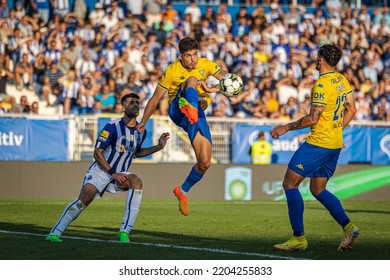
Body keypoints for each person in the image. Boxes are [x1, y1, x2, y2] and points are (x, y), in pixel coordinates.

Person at [46, 93, 170, 243]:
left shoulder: (140, 131)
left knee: (137, 181)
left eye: (138, 102)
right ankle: (55, 233)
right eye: (132, 102)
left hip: (120, 173)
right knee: (86, 197)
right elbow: (97, 153)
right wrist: (113, 173)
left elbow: (136, 152)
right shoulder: (112, 126)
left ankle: (124, 232)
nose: (136, 105)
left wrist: (158, 146)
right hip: (101, 171)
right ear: (123, 107)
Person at [270, 44, 359, 252]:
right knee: (317, 189)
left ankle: (298, 238)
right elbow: (352, 109)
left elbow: (313, 118)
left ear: (320, 60)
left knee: (289, 184)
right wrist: (336, 129)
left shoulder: (321, 85)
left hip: (318, 143)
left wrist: (286, 127)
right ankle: (349, 227)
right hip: (334, 144)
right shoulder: (341, 80)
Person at [136, 37, 229, 216]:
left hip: (197, 114)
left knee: (205, 162)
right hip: (178, 109)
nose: (193, 59)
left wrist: (213, 89)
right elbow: (155, 98)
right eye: (188, 56)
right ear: (181, 57)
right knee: (192, 80)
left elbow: (229, 80)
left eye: (195, 54)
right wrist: (142, 122)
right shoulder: (172, 70)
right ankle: (191, 108)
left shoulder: (206, 63)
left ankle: (182, 191)